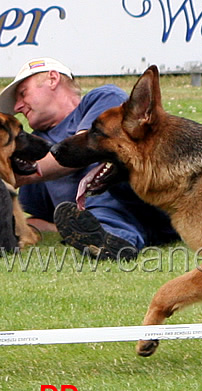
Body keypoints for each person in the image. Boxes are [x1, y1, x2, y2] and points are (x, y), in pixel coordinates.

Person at [0, 58, 179, 260]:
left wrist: (8, 171)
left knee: (101, 180)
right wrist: (69, 226)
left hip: (148, 197)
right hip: (118, 220)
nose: (17, 106)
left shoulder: (102, 99)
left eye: (23, 94)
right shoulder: (34, 147)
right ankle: (107, 239)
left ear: (52, 79)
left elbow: (83, 150)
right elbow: (37, 219)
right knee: (97, 213)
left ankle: (104, 234)